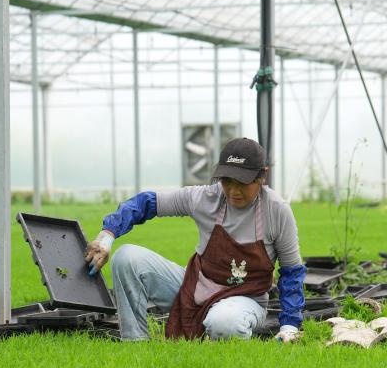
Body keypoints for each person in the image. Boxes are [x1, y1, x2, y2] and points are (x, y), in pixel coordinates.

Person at [84, 137, 307, 342]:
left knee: (225, 323)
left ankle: (216, 328)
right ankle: (135, 344)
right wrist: (107, 236)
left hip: (245, 300)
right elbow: (146, 203)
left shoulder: (277, 211)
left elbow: (292, 272)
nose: (233, 190)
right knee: (126, 257)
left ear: (262, 176)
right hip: (195, 288)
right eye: (227, 181)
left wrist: (290, 326)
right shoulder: (205, 198)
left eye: (242, 182)